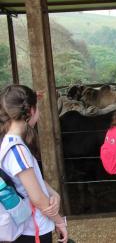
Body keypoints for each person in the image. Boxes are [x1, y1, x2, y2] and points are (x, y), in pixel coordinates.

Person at [0, 85, 68, 243]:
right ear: (31, 111)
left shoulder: (8, 141)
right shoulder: (17, 150)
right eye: (38, 108)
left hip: (28, 227)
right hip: (32, 229)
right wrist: (59, 221)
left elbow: (29, 180)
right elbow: (37, 197)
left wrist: (53, 193)